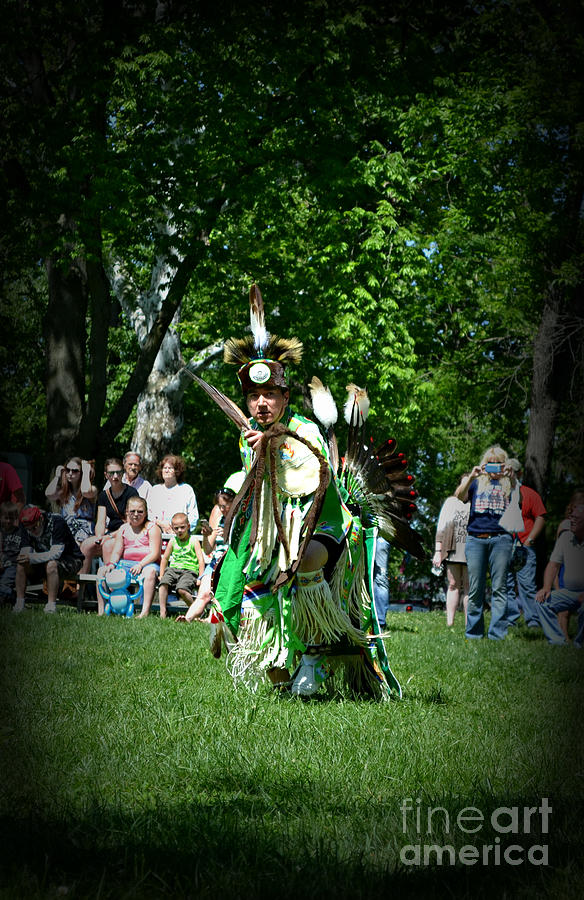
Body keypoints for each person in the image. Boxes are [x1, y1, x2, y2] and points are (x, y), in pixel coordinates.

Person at [195, 284, 425, 697]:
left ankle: (316, 658)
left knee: (299, 565)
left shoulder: (305, 430)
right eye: (253, 396)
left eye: (270, 394)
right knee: (254, 590)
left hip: (326, 528)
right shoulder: (247, 437)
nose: (262, 403)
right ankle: (280, 677)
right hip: (274, 536)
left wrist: (274, 445)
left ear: (285, 396)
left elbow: (311, 480)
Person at [455, 446, 514, 640]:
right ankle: (474, 633)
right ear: (484, 463)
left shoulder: (510, 484)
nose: (495, 467)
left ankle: (497, 634)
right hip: (476, 539)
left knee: (499, 588)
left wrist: (512, 477)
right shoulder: (476, 482)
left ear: (504, 464)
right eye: (491, 463)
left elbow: (519, 501)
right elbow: (459, 496)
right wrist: (471, 477)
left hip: (501, 539)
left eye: (499, 463)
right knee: (475, 588)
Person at [177, 487, 235, 623]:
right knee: (203, 593)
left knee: (219, 593)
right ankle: (187, 618)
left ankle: (211, 618)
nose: (223, 510)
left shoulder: (240, 521)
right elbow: (208, 550)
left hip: (231, 562)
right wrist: (206, 535)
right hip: (216, 562)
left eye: (225, 506)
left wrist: (228, 533)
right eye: (220, 507)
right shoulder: (220, 521)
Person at [535, 491, 584, 647]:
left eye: (576, 519)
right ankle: (558, 641)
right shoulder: (566, 536)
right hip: (569, 592)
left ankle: (580, 643)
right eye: (571, 518)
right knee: (542, 602)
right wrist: (546, 587)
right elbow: (553, 564)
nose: (571, 522)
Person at [14, 505, 83, 613]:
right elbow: (26, 551)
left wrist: (31, 558)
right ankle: (20, 604)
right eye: (29, 529)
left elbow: (56, 553)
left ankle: (51, 606)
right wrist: (24, 558)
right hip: (45, 560)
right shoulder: (25, 525)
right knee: (21, 564)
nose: (33, 531)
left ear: (41, 518)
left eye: (35, 527)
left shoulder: (57, 521)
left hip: (71, 559)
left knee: (51, 565)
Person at [503, 458, 547, 628]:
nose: (507, 474)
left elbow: (541, 517)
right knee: (505, 584)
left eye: (511, 471)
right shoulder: (499, 495)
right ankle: (510, 620)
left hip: (525, 548)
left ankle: (533, 621)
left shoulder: (529, 494)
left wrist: (530, 540)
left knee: (527, 586)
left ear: (518, 473)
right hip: (503, 547)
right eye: (505, 471)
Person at [100, 496, 161, 618]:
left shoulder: (152, 528)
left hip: (147, 564)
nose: (136, 514)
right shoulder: (123, 529)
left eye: (140, 511)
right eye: (132, 511)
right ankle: (102, 611)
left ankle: (144, 612)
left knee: (150, 572)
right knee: (102, 571)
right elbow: (117, 551)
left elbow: (155, 553)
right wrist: (111, 564)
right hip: (126, 565)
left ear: (146, 513)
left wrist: (140, 565)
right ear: (127, 512)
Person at [80, 459, 139, 571]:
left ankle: (110, 581)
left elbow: (130, 524)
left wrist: (109, 536)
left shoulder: (131, 493)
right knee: (86, 545)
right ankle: (80, 586)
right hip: (110, 533)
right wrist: (99, 537)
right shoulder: (104, 495)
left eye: (118, 472)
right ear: (106, 475)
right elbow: (101, 521)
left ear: (123, 473)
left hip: (126, 533)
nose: (115, 476)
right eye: (111, 473)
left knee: (109, 545)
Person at [432, 475, 470, 626]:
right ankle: (450, 623)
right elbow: (441, 527)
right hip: (453, 549)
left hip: (471, 550)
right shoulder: (451, 502)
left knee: (469, 586)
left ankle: (470, 624)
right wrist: (438, 551)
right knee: (453, 584)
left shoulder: (476, 503)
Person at [45, 458, 97, 562]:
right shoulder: (63, 493)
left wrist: (86, 472)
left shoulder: (92, 490)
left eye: (75, 471)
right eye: (67, 470)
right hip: (66, 532)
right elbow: (49, 494)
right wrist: (57, 476)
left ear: (81, 473)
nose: (70, 473)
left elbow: (86, 491)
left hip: (84, 534)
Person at [160, 512, 205, 619]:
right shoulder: (173, 541)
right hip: (173, 569)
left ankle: (196, 611)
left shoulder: (194, 541)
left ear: (188, 526)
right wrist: (161, 574)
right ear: (172, 528)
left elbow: (201, 560)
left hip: (189, 571)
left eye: (182, 527)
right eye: (176, 528)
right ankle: (163, 612)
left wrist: (200, 578)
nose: (179, 530)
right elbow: (165, 558)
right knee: (163, 584)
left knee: (182, 590)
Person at [148, 455, 198, 536]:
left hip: (180, 536)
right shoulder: (155, 490)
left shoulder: (186, 489)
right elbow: (148, 514)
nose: (166, 470)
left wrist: (180, 529)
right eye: (164, 468)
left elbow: (193, 516)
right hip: (157, 535)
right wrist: (161, 524)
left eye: (170, 468)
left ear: (177, 471)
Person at [0, 502, 24, 605]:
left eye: (11, 518)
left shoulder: (20, 531)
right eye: (6, 518)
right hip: (2, 564)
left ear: (15, 518)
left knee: (4, 584)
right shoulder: (0, 533)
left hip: (14, 566)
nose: (9, 521)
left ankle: (12, 597)